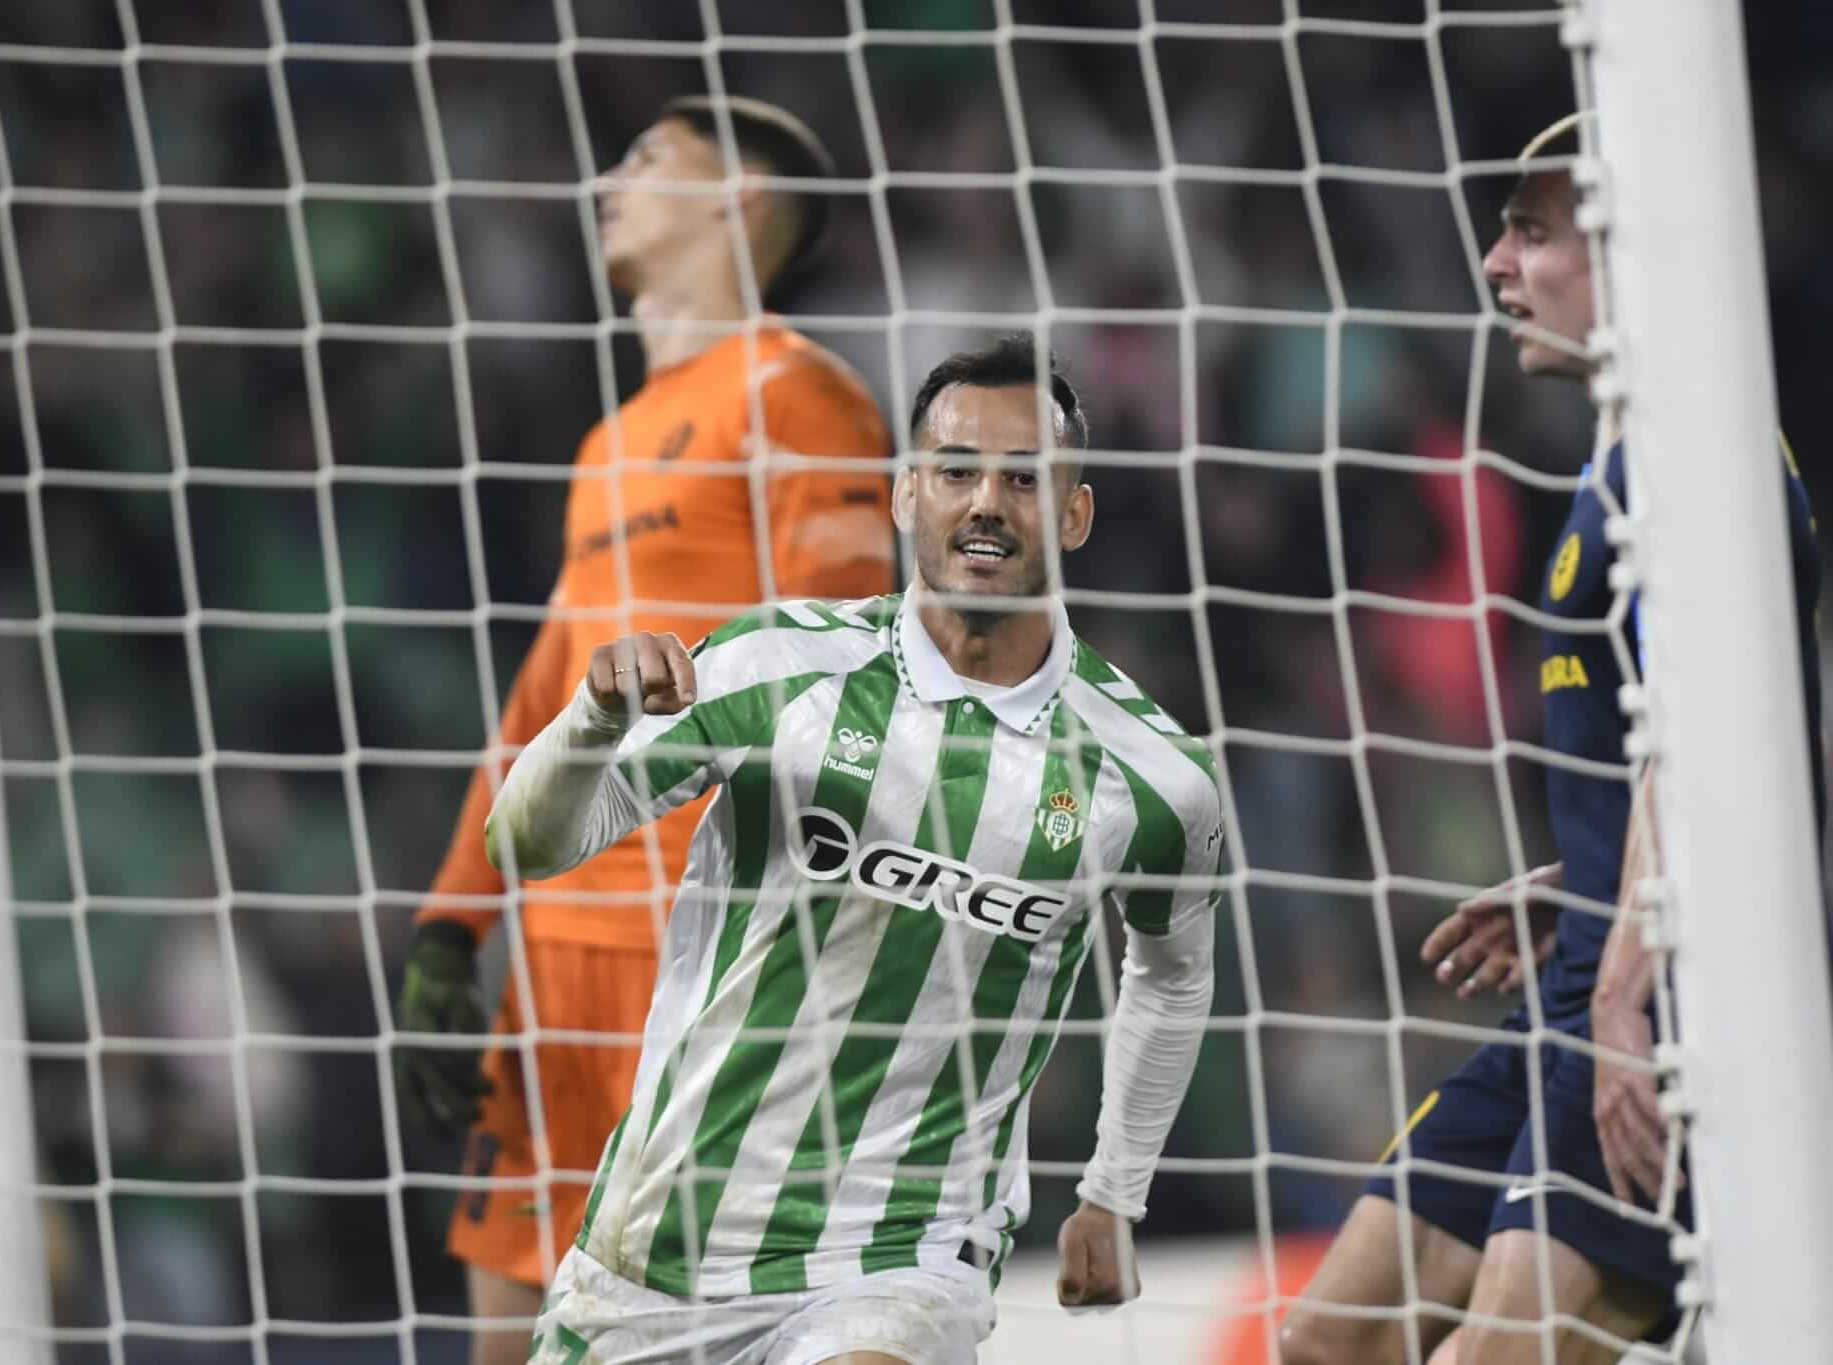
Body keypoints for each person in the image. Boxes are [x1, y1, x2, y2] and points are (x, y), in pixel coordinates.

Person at [487, 334, 1223, 1364]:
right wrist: (590, 722)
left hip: (898, 1259)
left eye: (1024, 478)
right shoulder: (772, 663)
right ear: (904, 493)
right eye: (956, 471)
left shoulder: (1152, 777)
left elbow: (1172, 974)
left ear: (1073, 514)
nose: (984, 503)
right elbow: (524, 842)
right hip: (658, 1247)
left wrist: (1111, 1191)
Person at [1280, 113, 1824, 1365]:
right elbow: (1694, 744)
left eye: (1530, 233)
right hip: (1591, 969)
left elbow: (1704, 749)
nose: (1492, 263)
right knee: (1327, 1342)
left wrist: (1630, 988)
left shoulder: (1699, 460)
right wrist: (1586, 886)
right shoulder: (1611, 464)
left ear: (1631, 249)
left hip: (1676, 1002)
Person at [394, 95, 897, 1364]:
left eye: (646, 161)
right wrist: (455, 921)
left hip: (698, 958)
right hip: (559, 963)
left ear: (737, 200)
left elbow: (848, 662)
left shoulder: (799, 393)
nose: (607, 180)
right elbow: (541, 695)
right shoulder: (604, 444)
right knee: (503, 1332)